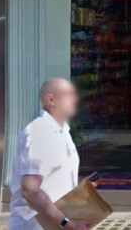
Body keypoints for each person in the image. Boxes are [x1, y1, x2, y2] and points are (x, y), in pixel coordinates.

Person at [9, 78, 91, 230]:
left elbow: (53, 178)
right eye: (69, 94)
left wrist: (79, 187)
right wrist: (66, 224)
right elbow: (30, 191)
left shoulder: (62, 131)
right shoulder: (39, 133)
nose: (75, 99)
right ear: (50, 99)